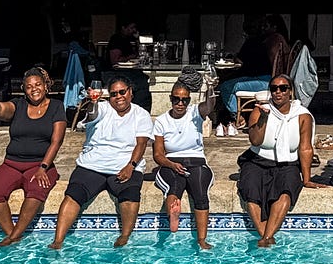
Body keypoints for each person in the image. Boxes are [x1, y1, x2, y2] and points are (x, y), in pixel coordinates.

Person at [49, 75, 154, 250]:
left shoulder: (141, 114)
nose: (119, 97)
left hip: (125, 165)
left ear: (130, 93)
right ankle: (58, 240)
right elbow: (92, 114)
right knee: (73, 194)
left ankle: (125, 235)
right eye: (114, 94)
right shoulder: (102, 108)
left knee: (130, 194)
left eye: (122, 92)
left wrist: (131, 166)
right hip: (92, 164)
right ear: (108, 96)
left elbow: (141, 143)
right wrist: (93, 102)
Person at [237, 74, 322, 248]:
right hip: (257, 160)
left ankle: (267, 236)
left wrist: (306, 179)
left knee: (286, 191)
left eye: (283, 88)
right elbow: (255, 140)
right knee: (250, 190)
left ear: (290, 92)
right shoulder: (259, 110)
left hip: (288, 163)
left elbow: (305, 148)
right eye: (274, 88)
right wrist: (263, 118)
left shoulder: (302, 116)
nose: (278, 92)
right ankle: (265, 237)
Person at [0, 66, 66, 247]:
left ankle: (14, 236)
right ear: (24, 89)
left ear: (46, 86)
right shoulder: (18, 105)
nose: (34, 89)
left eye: (38, 84)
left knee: (36, 192)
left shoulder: (56, 106)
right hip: (12, 164)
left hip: (40, 165)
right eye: (29, 86)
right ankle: (14, 235)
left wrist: (43, 167)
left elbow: (56, 141)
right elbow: (0, 109)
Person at [152, 81, 215, 249]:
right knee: (175, 185)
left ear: (189, 100)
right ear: (170, 98)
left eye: (184, 100)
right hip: (171, 161)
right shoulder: (161, 121)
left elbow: (209, 105)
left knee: (200, 193)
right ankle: (173, 212)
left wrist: (210, 88)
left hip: (197, 161)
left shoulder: (196, 113)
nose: (180, 104)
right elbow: (158, 155)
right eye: (176, 99)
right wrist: (171, 165)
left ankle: (201, 239)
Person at [216, 14, 289, 137]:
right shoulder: (277, 39)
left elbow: (239, 62)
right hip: (266, 78)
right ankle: (235, 116)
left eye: (266, 26)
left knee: (225, 86)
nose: (264, 29)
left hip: (265, 81)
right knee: (231, 82)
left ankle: (238, 118)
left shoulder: (256, 41)